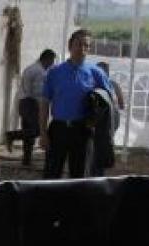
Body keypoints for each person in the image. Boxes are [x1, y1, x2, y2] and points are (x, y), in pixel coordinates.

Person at [40, 29, 112, 179]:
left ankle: (76, 202)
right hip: (58, 129)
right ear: (70, 46)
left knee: (79, 176)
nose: (82, 49)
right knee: (51, 174)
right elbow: (45, 103)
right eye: (79, 44)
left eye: (86, 45)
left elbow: (109, 101)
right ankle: (48, 202)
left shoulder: (96, 73)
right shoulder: (55, 72)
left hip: (82, 131)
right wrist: (43, 133)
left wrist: (96, 120)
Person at [17, 49, 57, 166]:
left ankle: (26, 160)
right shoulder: (39, 71)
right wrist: (42, 107)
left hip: (24, 101)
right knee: (37, 130)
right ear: (47, 59)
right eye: (52, 61)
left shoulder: (33, 68)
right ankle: (12, 136)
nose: (52, 64)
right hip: (30, 102)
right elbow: (38, 93)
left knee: (29, 133)